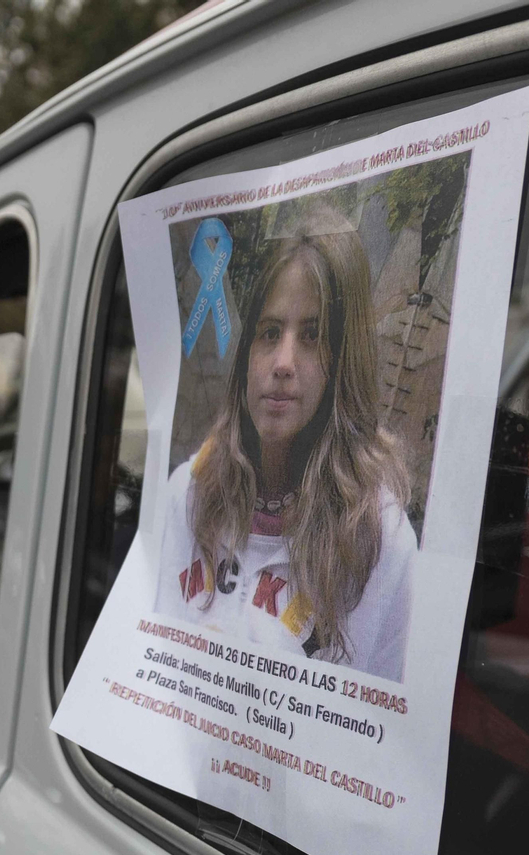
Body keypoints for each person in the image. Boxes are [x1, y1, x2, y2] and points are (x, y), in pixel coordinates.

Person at [155, 207, 416, 682]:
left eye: (312, 336)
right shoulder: (188, 494)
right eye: (270, 332)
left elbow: (378, 740)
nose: (282, 362)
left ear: (344, 360)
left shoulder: (381, 540)